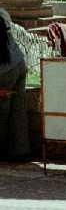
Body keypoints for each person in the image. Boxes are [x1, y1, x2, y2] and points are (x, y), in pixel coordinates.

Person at [0, 8, 30, 161]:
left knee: (2, 110)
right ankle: (20, 151)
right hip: (18, 63)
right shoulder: (2, 13)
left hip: (4, 70)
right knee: (18, 110)